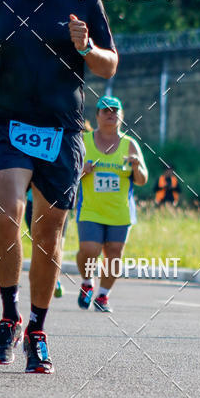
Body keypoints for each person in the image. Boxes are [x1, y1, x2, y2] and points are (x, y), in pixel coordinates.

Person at [0, 0, 118, 373]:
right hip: (9, 125)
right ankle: (8, 316)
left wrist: (87, 47)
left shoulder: (83, 0)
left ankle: (37, 328)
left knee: (49, 230)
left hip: (63, 130)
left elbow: (108, 66)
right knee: (8, 212)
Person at [76, 96, 148, 312]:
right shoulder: (84, 141)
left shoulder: (129, 144)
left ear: (120, 115)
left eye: (114, 110)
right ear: (97, 115)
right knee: (90, 249)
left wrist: (136, 166)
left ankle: (103, 296)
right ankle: (87, 282)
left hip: (120, 212)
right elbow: (69, 174)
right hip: (90, 208)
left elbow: (142, 179)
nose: (110, 113)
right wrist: (83, 170)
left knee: (114, 254)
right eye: (105, 110)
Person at [24, 185, 67, 297]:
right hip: (33, 203)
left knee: (57, 244)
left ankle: (55, 278)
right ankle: (44, 278)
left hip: (59, 201)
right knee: (40, 245)